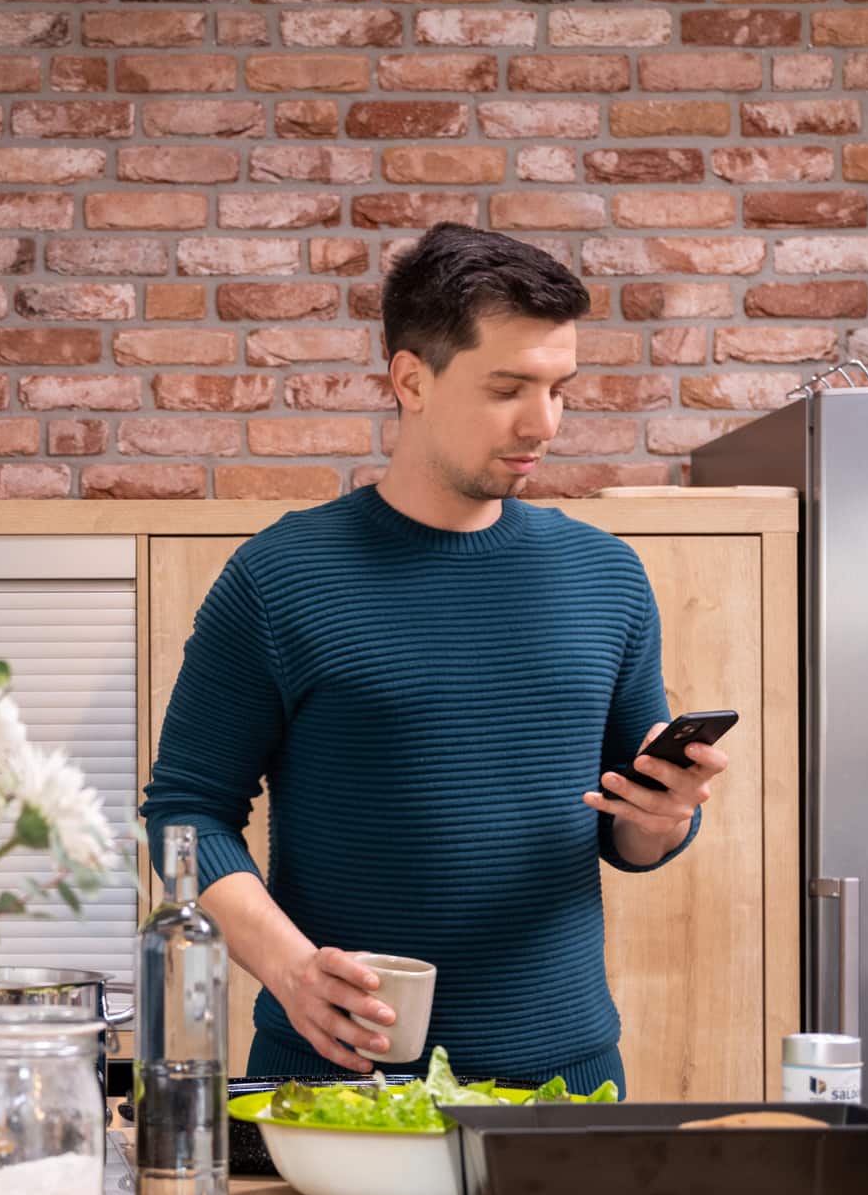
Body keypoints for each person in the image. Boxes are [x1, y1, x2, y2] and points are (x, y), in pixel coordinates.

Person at [140, 224, 733, 1094]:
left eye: (560, 389)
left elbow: (626, 830)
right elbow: (185, 815)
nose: (545, 423)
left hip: (565, 1085)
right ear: (411, 379)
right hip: (337, 1084)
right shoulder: (281, 578)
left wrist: (666, 817)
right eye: (508, 389)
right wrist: (291, 971)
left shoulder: (607, 576)